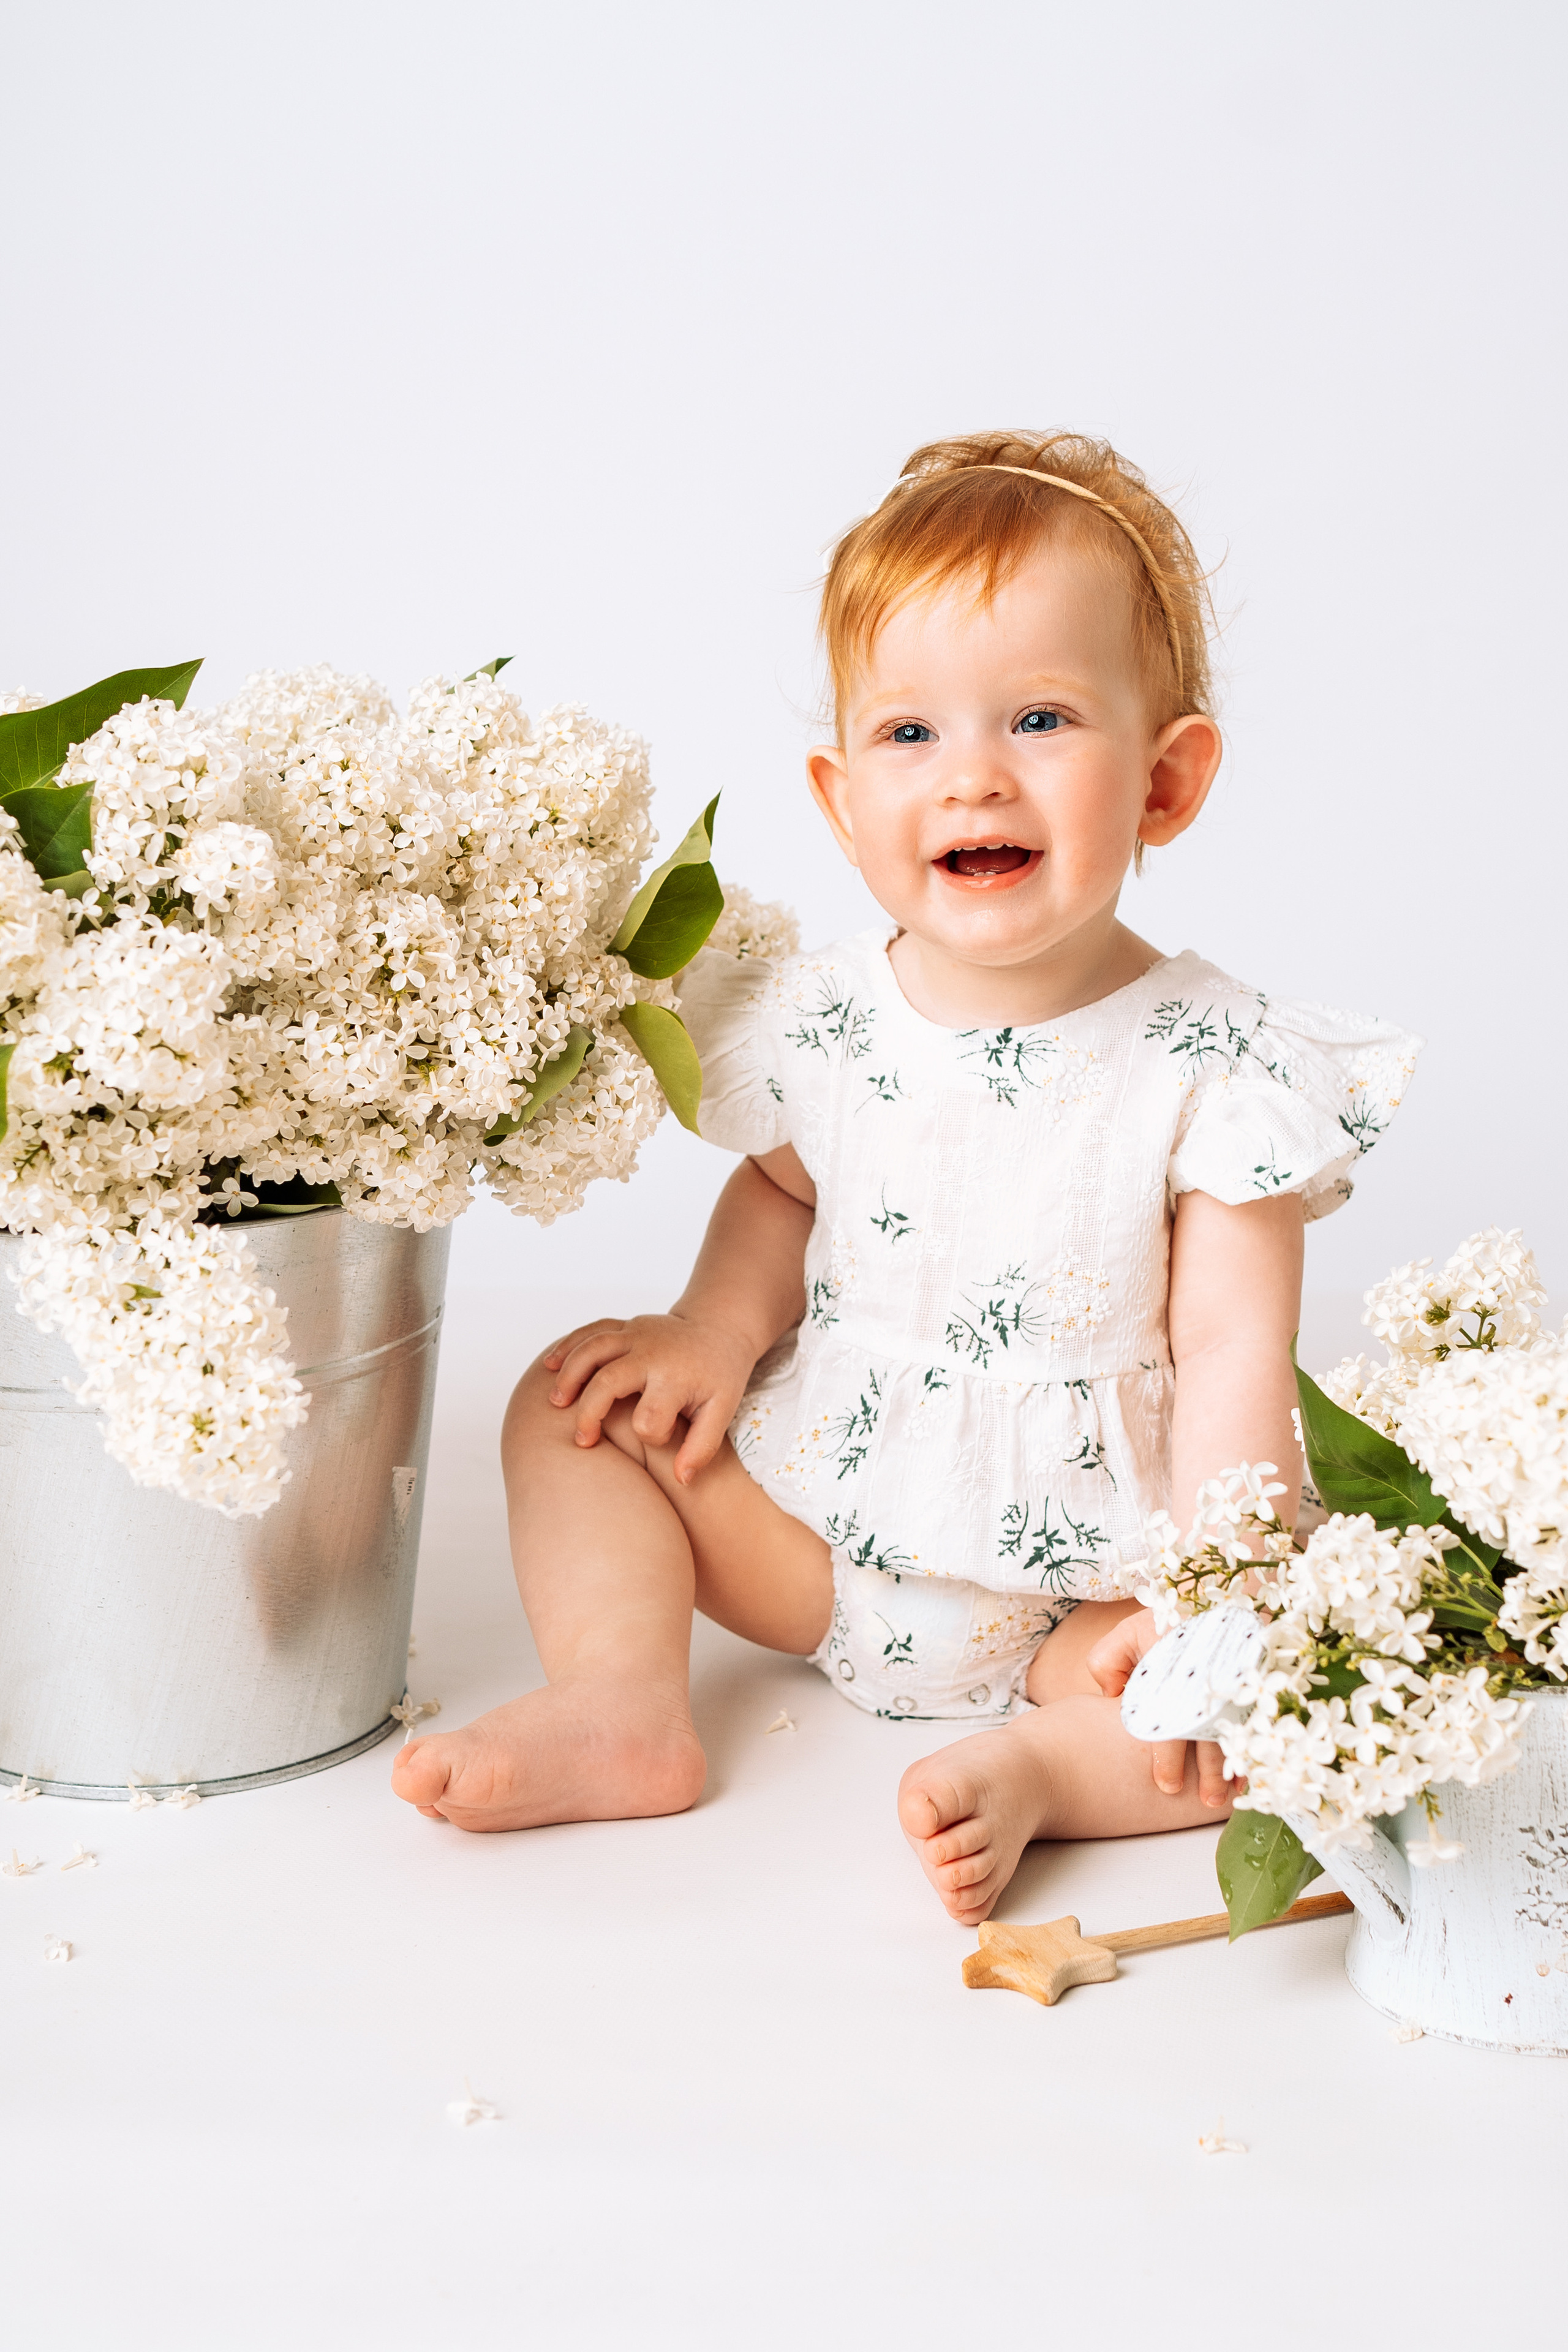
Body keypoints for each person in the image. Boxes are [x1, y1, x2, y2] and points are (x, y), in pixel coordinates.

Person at [393, 431, 1420, 1924]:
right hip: (817, 1532)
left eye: (1043, 718)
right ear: (838, 796)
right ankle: (620, 1701)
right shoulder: (822, 1015)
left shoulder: (1217, 1059)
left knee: (1266, 1699)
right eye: (909, 736)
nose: (973, 777)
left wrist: (1213, 1594)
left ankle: (1053, 1772)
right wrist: (707, 1334)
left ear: (1166, 778)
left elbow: (1229, 1345)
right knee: (572, 1408)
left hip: (1092, 1578)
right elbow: (784, 1194)